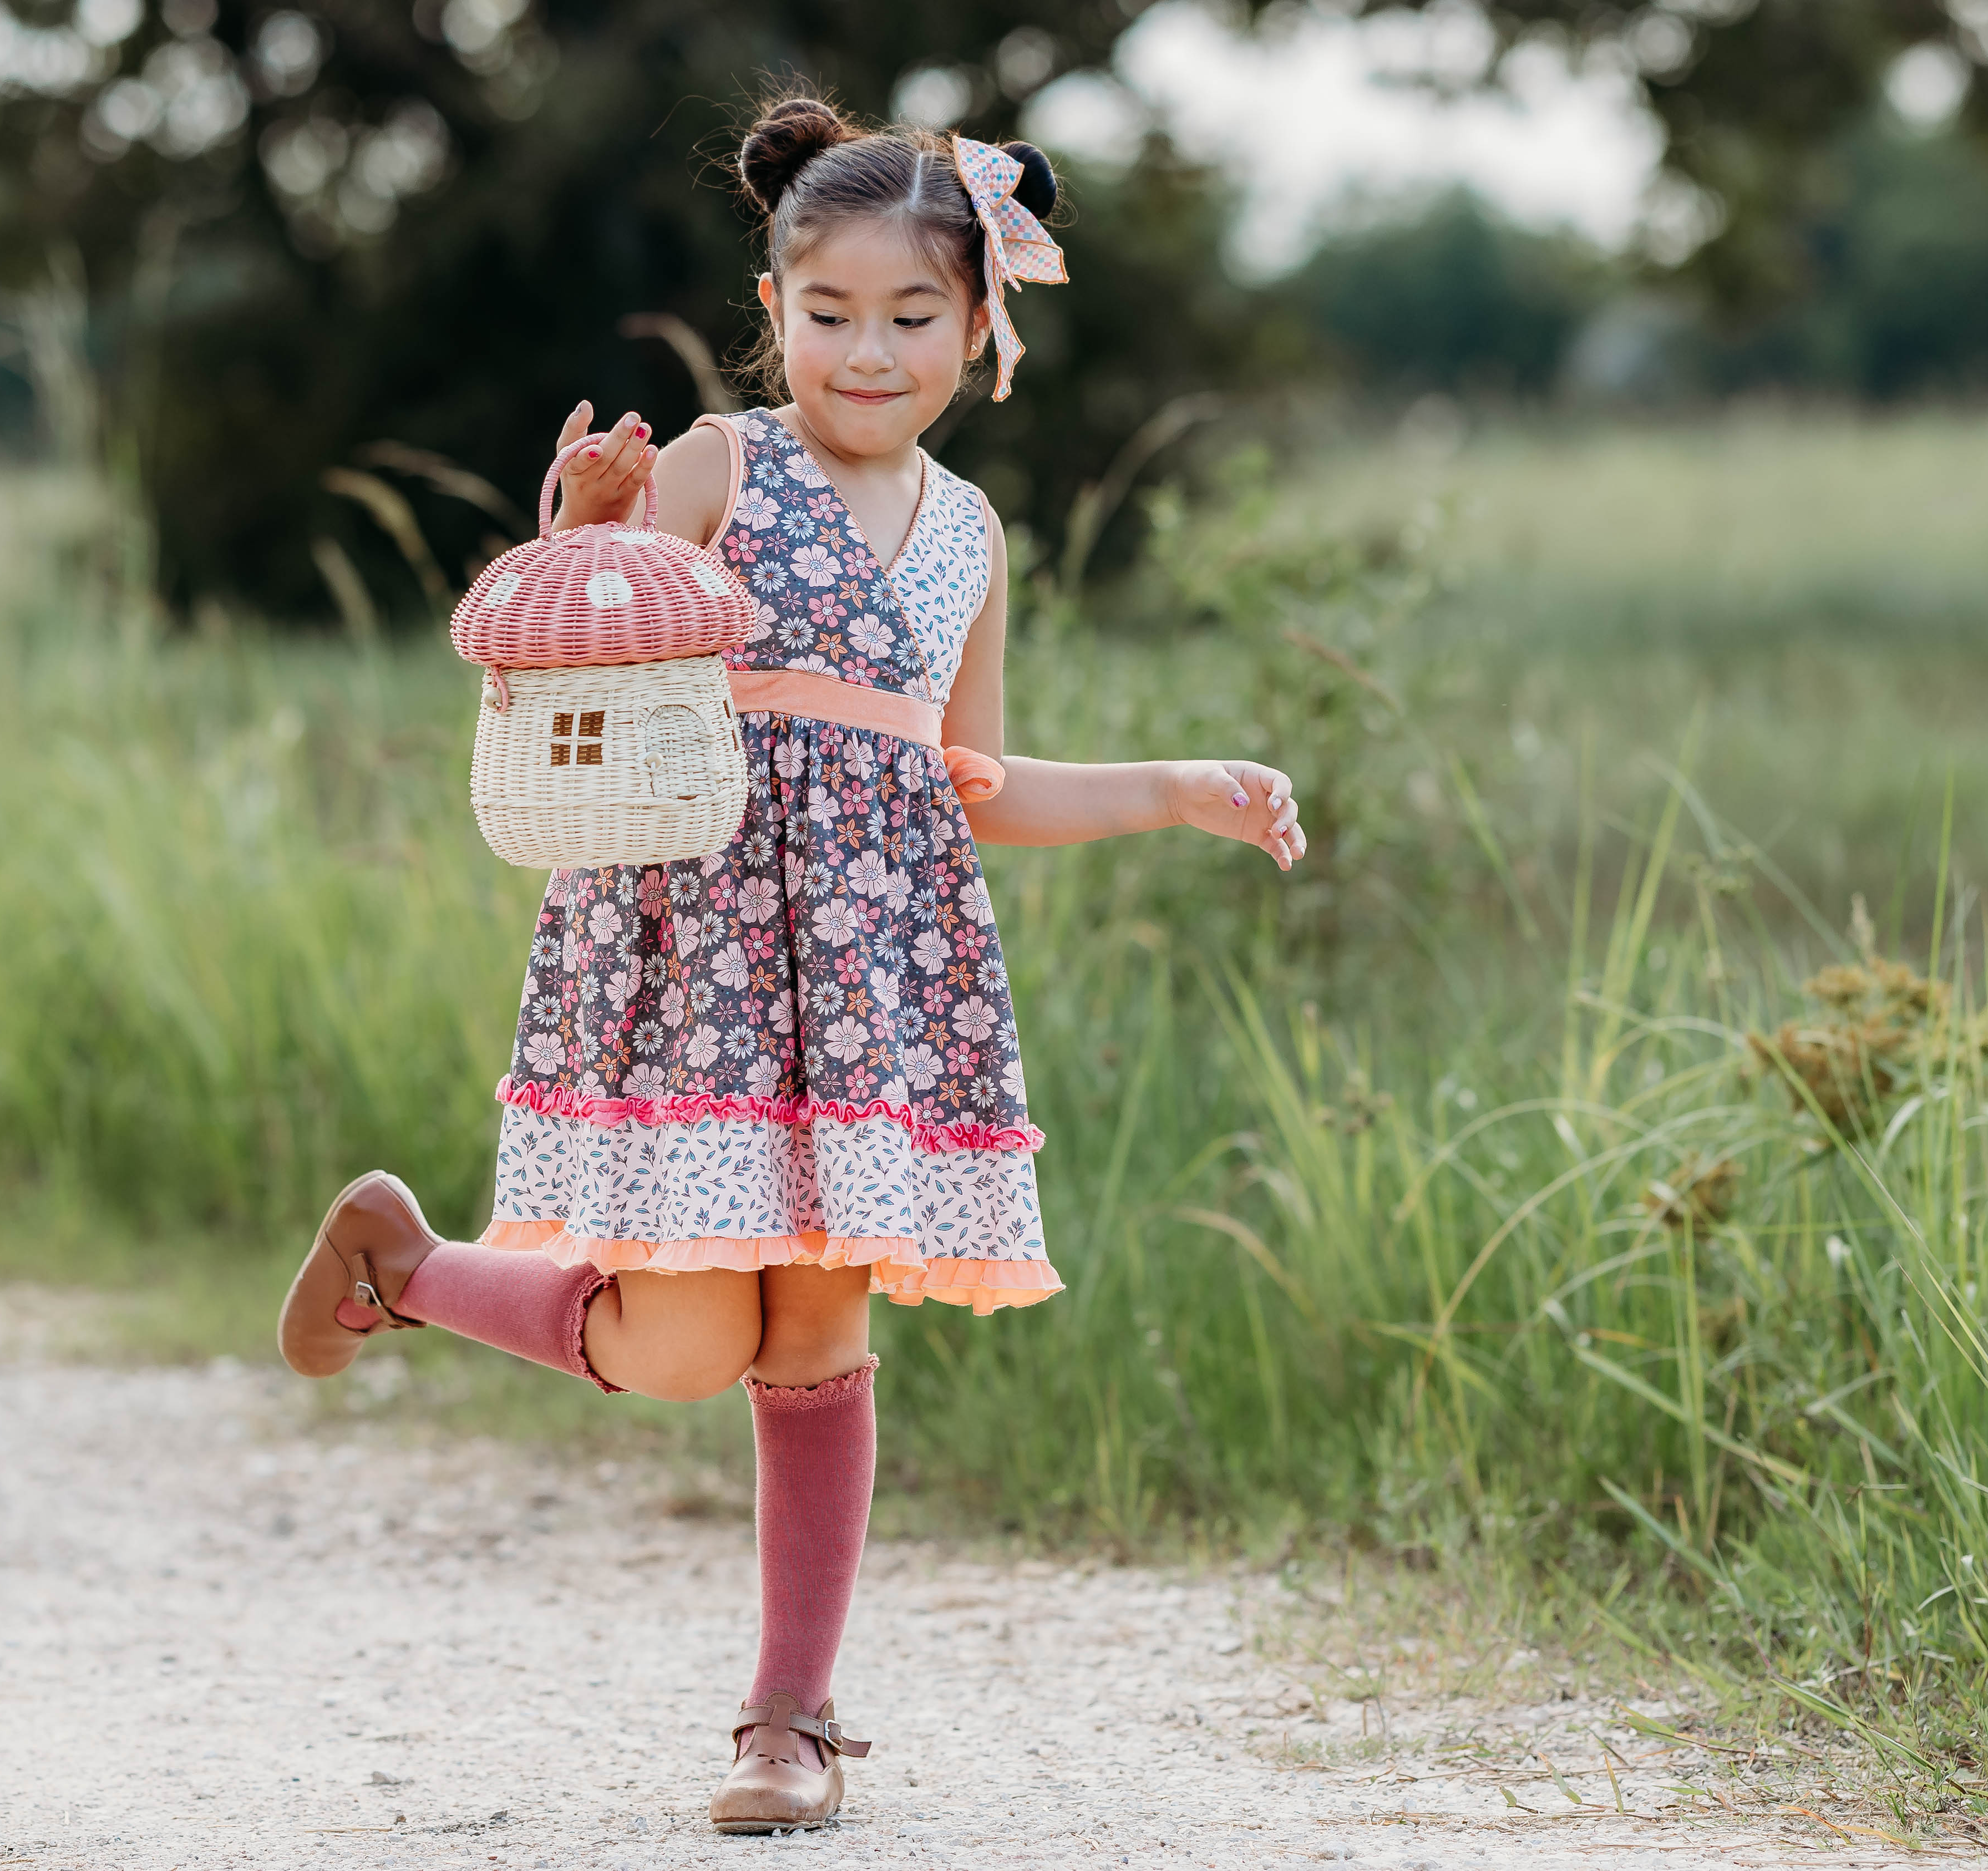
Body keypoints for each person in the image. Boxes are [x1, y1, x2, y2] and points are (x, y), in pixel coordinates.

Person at [276, 92, 1306, 1835]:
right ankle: (410, 1260)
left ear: (983, 325)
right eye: (828, 314)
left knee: (821, 1316)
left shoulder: (973, 536)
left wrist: (1177, 791)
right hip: (698, 959)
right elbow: (563, 654)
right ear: (774, 311)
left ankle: (791, 1720)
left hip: (878, 986)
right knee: (680, 1345)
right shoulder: (721, 466)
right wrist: (586, 525)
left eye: (914, 316)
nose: (870, 349)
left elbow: (967, 781)